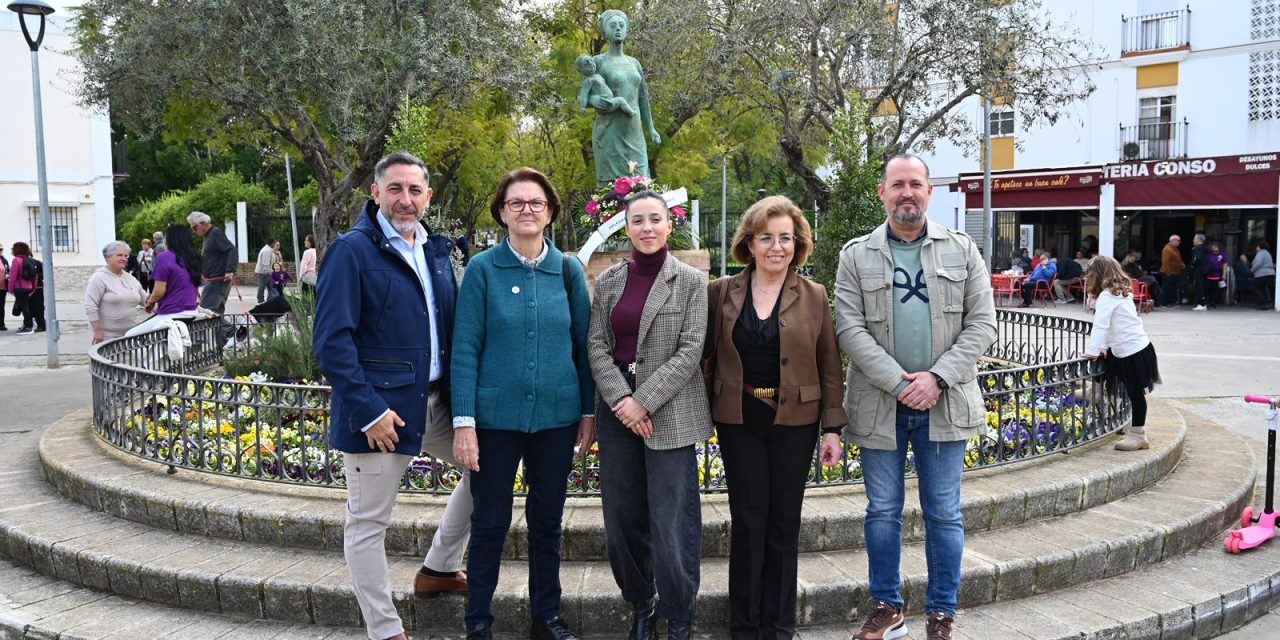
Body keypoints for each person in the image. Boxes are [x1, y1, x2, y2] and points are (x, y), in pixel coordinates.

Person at [829, 154, 996, 640]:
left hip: (944, 405)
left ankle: (941, 613)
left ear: (929, 191)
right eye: (898, 184)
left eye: (916, 184)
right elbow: (849, 329)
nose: (907, 192)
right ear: (883, 192)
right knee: (882, 511)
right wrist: (901, 383)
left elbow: (982, 324)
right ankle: (887, 607)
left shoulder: (963, 250)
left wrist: (936, 379)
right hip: (880, 406)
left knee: (944, 512)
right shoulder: (856, 255)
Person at [311, 151, 473, 640]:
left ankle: (440, 568)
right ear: (376, 194)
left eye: (415, 190)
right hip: (381, 414)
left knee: (489, 475)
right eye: (396, 189)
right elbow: (331, 341)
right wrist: (369, 411)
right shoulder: (352, 250)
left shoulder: (436, 252)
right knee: (367, 524)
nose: (406, 199)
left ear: (428, 196)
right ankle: (384, 630)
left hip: (437, 404)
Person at [450, 167, 594, 640]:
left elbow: (584, 346)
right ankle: (478, 623)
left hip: (556, 418)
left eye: (536, 203)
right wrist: (464, 422)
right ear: (502, 212)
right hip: (494, 421)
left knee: (547, 523)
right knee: (489, 522)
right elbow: (466, 347)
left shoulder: (569, 270)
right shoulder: (483, 269)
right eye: (517, 203)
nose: (527, 210)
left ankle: (546, 619)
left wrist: (588, 411)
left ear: (550, 212)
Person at [704, 196, 847, 640]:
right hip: (739, 419)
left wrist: (833, 428)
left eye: (785, 237)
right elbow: (704, 355)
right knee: (748, 521)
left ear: (797, 243)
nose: (777, 246)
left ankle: (778, 627)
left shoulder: (814, 295)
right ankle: (744, 626)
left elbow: (829, 364)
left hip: (796, 423)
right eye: (766, 237)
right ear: (749, 243)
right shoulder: (721, 292)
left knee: (784, 523)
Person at [586, 191, 709, 640]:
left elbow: (691, 349)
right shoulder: (612, 281)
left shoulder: (692, 282)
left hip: (669, 413)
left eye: (655, 219)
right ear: (626, 226)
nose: (647, 228)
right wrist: (623, 399)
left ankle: (679, 614)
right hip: (619, 414)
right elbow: (596, 345)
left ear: (669, 224)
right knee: (622, 518)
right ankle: (642, 601)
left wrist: (645, 399)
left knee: (673, 520)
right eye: (638, 220)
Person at [1083, 256, 1161, 451]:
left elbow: (1101, 325)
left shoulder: (1108, 296)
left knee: (1136, 393)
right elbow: (1115, 325)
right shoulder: (1117, 293)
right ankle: (1099, 391)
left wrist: (1092, 350)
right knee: (1107, 359)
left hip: (1133, 351)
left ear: (1098, 275)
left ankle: (1138, 435)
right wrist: (1103, 347)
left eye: (1090, 274)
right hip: (1127, 347)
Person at [585, 9, 661, 183]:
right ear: (604, 31)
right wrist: (596, 101)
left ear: (627, 29)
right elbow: (583, 96)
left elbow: (643, 98)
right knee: (611, 187)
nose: (618, 29)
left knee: (641, 181)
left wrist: (651, 128)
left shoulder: (634, 63)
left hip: (634, 131)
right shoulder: (598, 62)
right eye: (613, 26)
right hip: (609, 130)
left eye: (621, 25)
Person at [127, 224, 202, 336]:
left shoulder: (165, 257)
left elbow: (159, 292)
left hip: (172, 313)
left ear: (170, 239)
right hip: (192, 311)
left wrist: (150, 302)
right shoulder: (194, 257)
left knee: (130, 336)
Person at [84, 241, 146, 343]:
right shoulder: (99, 278)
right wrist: (97, 331)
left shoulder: (130, 278)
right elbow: (90, 306)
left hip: (131, 334)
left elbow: (146, 300)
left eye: (126, 256)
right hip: (107, 336)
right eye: (119, 255)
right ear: (108, 257)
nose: (124, 259)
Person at [187, 211, 238, 315]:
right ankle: (231, 331)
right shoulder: (209, 235)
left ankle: (232, 331)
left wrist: (230, 270)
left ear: (203, 223)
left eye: (194, 227)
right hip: (214, 280)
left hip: (217, 281)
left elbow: (232, 250)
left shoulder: (215, 233)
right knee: (215, 313)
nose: (194, 231)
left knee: (206, 313)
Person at [8, 242, 45, 335]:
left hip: (20, 288)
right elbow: (35, 277)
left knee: (25, 308)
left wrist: (10, 289)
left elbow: (13, 276)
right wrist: (33, 288)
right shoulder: (29, 260)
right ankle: (29, 325)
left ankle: (28, 327)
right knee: (28, 307)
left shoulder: (16, 260)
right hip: (29, 287)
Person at [1159, 235, 1184, 306]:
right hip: (1169, 272)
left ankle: (1171, 302)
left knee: (1173, 288)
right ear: (1173, 240)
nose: (1180, 242)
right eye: (1178, 241)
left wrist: (1181, 264)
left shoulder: (1175, 249)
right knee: (1167, 288)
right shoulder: (1167, 249)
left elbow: (1177, 259)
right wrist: (1167, 272)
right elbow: (1165, 261)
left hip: (1175, 272)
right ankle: (1165, 303)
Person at [1252, 241, 1275, 310]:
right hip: (1270, 273)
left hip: (1261, 274)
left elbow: (1258, 263)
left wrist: (1252, 270)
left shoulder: (1260, 253)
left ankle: (1263, 303)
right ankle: (1267, 302)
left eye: (1257, 246)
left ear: (1259, 247)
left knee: (1256, 289)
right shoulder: (1267, 253)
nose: (1256, 248)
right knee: (1264, 288)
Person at [1190, 233, 1210, 311]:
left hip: (1199, 270)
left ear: (1198, 240)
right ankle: (1202, 303)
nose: (1193, 240)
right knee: (1203, 286)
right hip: (1204, 270)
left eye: (1194, 239)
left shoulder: (1198, 248)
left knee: (1199, 286)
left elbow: (1197, 258)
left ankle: (1201, 304)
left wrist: (1192, 264)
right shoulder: (1205, 248)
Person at [1205, 242, 1228, 309]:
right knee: (1208, 289)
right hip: (1208, 274)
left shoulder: (1222, 254)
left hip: (1217, 274)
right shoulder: (1209, 254)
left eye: (1216, 250)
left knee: (1215, 289)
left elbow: (1225, 264)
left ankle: (1213, 303)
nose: (1215, 251)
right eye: (1213, 250)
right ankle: (1208, 302)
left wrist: (1224, 273)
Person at [255, 238, 276, 304]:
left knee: (270, 287)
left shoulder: (268, 249)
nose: (275, 244)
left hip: (267, 271)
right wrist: (267, 271)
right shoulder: (267, 250)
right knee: (262, 286)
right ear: (272, 243)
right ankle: (260, 300)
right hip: (264, 272)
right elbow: (265, 262)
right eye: (275, 243)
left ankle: (271, 299)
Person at [0, 243, 8, 332]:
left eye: (1, 249)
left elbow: (7, 269)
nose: (1, 251)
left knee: (1, 307)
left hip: (2, 288)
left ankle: (1, 324)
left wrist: (7, 275)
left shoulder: (4, 260)